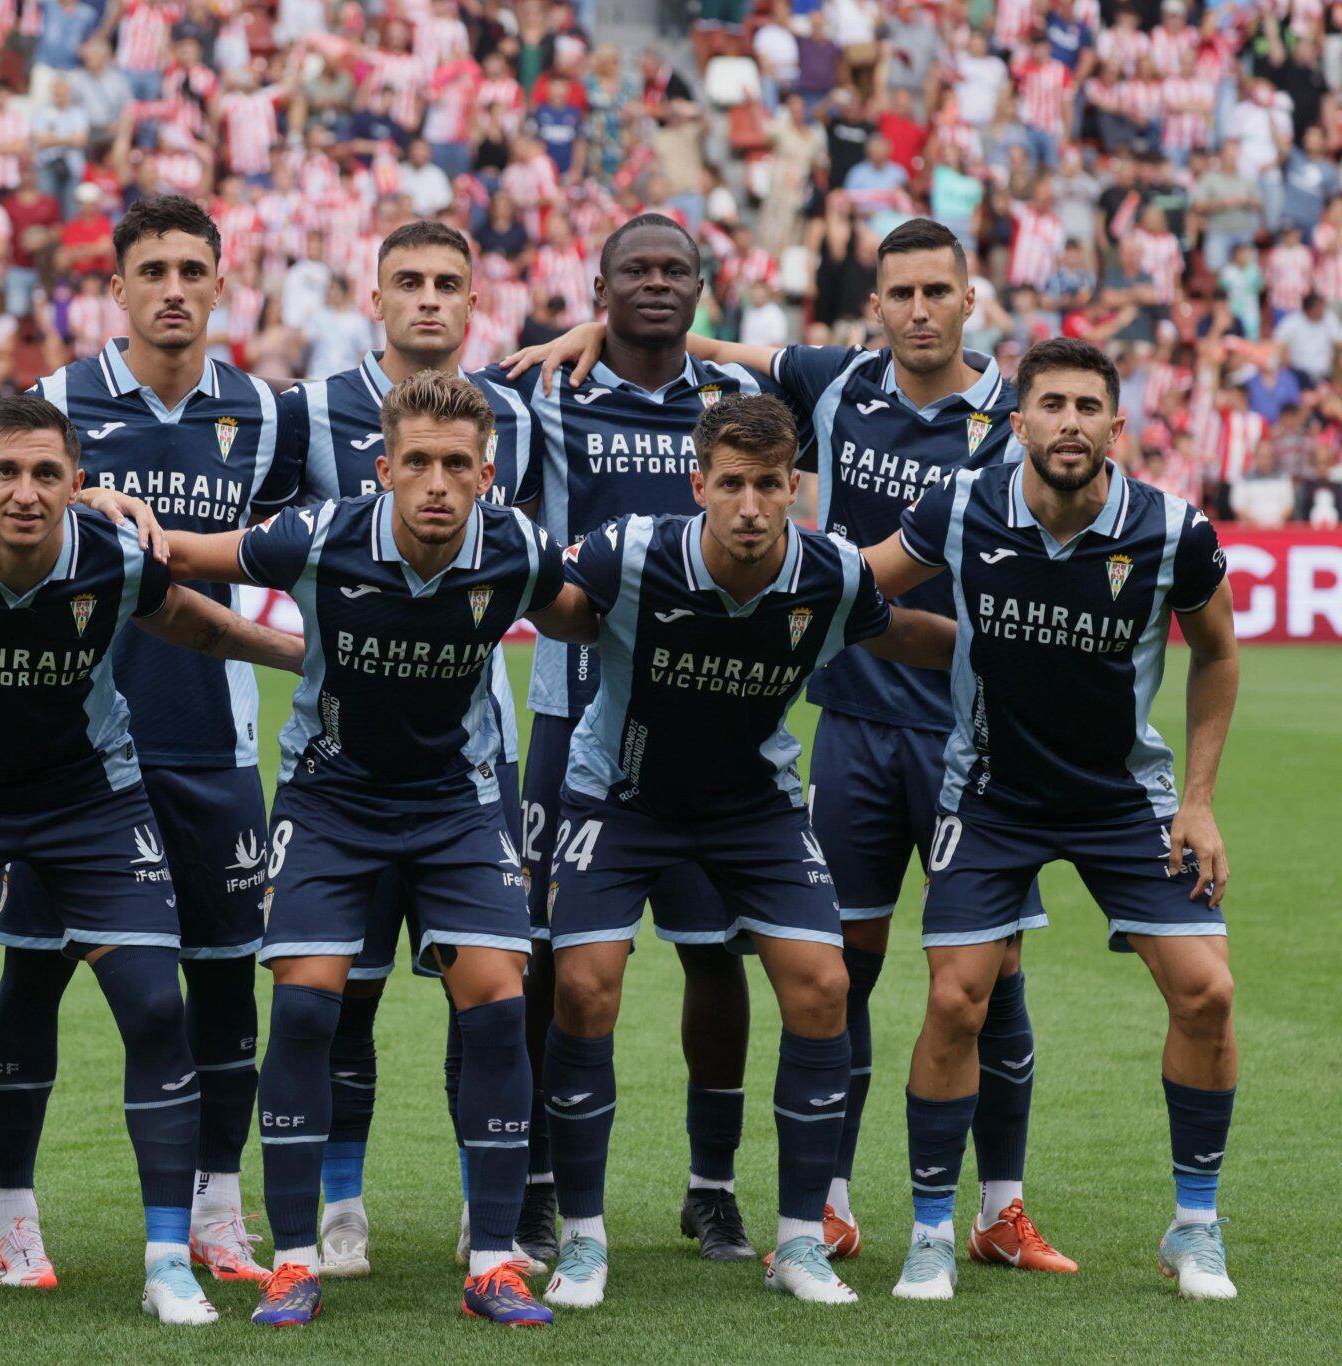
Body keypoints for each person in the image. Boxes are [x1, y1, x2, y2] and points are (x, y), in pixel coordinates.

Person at [504, 217, 1066, 1270]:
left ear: (969, 298)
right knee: (789, 969)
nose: (917, 310)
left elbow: (994, 561)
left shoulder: (1011, 416)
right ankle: (787, 1205)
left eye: (935, 290)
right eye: (899, 292)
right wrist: (595, 326)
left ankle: (979, 1204)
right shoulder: (833, 383)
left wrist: (1034, 658)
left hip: (954, 730)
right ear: (875, 306)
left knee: (980, 971)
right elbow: (692, 340)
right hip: (797, 724)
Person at [0, 393, 304, 1329]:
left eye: (48, 474)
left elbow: (197, 624)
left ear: (77, 484)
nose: (26, 492)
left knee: (156, 1006)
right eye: (6, 472)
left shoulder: (114, 555)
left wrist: (302, 655)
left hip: (89, 801)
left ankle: (167, 1262)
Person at [166, 369, 595, 1327]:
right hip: (331, 800)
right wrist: (116, 511)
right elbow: (189, 551)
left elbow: (587, 613)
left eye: (457, 465)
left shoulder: (516, 547)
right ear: (384, 469)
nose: (438, 483)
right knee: (306, 1005)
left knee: (498, 1006)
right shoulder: (319, 536)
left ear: (487, 476)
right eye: (419, 463)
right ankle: (293, 1262)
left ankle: (494, 1264)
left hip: (456, 804)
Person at [537, 393, 956, 1308]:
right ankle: (582, 1239)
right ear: (699, 486)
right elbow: (558, 608)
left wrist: (1006, 660)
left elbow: (902, 636)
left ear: (795, 486)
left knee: (824, 986)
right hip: (621, 795)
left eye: (770, 484)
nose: (752, 506)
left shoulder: (830, 573)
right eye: (732, 484)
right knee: (583, 987)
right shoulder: (630, 553)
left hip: (752, 807)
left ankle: (799, 1243)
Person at [863, 337, 1241, 1303]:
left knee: (1207, 993)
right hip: (990, 796)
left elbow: (1218, 653)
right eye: (1052, 405)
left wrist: (1198, 800)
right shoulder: (961, 506)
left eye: (1088, 407)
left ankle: (1195, 1227)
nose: (1070, 423)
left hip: (1125, 800)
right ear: (1018, 421)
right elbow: (862, 591)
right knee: (957, 1000)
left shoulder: (1172, 530)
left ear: (1118, 426)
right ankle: (933, 1233)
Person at [0, 194, 303, 1287]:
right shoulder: (54, 406)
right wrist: (84, 496)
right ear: (115, 288)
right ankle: (14, 1213)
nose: (172, 289)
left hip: (213, 747)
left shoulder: (266, 415)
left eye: (191, 270)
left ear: (220, 285)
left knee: (223, 984)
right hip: (67, 753)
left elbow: (302, 536)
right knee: (32, 974)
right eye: (151, 271)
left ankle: (217, 1212)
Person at [492, 213, 778, 1267]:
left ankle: (713, 1189)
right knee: (549, 959)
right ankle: (538, 1188)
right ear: (597, 287)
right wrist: (577, 340)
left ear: (700, 290)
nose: (656, 284)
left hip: (714, 723)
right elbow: (442, 418)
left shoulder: (736, 400)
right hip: (574, 719)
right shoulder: (545, 391)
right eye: (634, 272)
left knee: (714, 954)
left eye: (675, 271)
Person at [274, 219, 550, 1275]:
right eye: (408, 281)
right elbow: (256, 547)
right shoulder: (308, 412)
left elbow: (554, 577)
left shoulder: (518, 414)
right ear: (375, 295)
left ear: (473, 302)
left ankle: (485, 1222)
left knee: (483, 991)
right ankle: (338, 1209)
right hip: (341, 762)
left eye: (447, 283)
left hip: (469, 756)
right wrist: (293, 646)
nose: (427, 299)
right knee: (341, 994)